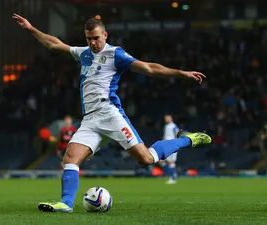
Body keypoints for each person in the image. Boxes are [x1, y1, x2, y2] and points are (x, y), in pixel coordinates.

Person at [13, 13, 212, 213]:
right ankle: (66, 203)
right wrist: (31, 28)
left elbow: (149, 68)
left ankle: (189, 139)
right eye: (89, 39)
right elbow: (54, 44)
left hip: (110, 115)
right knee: (70, 159)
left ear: (105, 35)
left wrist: (181, 73)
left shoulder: (115, 54)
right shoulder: (83, 54)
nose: (93, 42)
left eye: (96, 38)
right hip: (90, 120)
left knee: (146, 159)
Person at [161, 115, 179, 184]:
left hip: (172, 145)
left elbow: (177, 134)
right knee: (166, 161)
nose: (166, 120)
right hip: (166, 145)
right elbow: (165, 136)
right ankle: (173, 174)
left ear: (171, 119)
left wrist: (176, 143)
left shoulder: (173, 126)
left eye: (167, 118)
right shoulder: (166, 126)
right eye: (165, 119)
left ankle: (173, 178)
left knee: (171, 161)